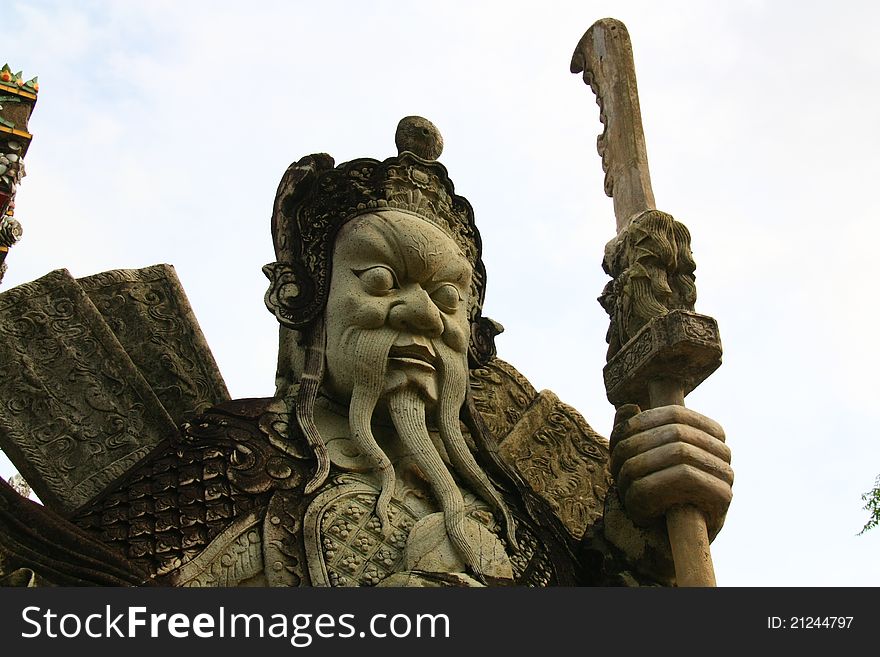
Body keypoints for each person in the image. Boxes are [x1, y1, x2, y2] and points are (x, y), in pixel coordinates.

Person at [0, 117, 732, 587]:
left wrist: (647, 525)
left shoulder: (518, 525)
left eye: (449, 300)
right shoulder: (232, 462)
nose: (422, 313)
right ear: (311, 307)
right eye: (381, 280)